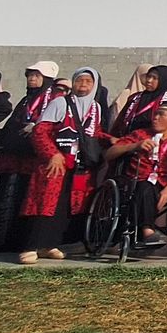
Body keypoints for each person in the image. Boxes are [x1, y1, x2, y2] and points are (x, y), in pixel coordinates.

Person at [16, 67, 106, 265]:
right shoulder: (60, 103)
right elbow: (40, 131)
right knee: (44, 204)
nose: (83, 85)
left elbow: (94, 133)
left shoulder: (95, 108)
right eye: (79, 81)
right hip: (55, 163)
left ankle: (50, 244)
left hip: (79, 166)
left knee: (65, 206)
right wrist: (53, 154)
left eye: (88, 82)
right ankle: (30, 246)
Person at [0, 62, 60, 254]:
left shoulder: (55, 98)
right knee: (5, 199)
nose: (32, 79)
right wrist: (0, 134)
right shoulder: (26, 100)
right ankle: (2, 241)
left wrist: (37, 126)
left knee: (24, 199)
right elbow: (15, 121)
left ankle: (23, 242)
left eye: (37, 76)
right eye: (30, 75)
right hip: (14, 157)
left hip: (34, 159)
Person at [104, 104, 167, 248]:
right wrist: (134, 146)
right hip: (141, 179)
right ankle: (147, 231)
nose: (155, 118)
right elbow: (109, 154)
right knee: (145, 185)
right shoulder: (140, 134)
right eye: (155, 114)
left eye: (161, 115)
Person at [109, 65, 167, 137]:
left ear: (164, 81)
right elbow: (120, 121)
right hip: (128, 141)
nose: (149, 80)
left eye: (154, 78)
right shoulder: (135, 98)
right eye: (148, 76)